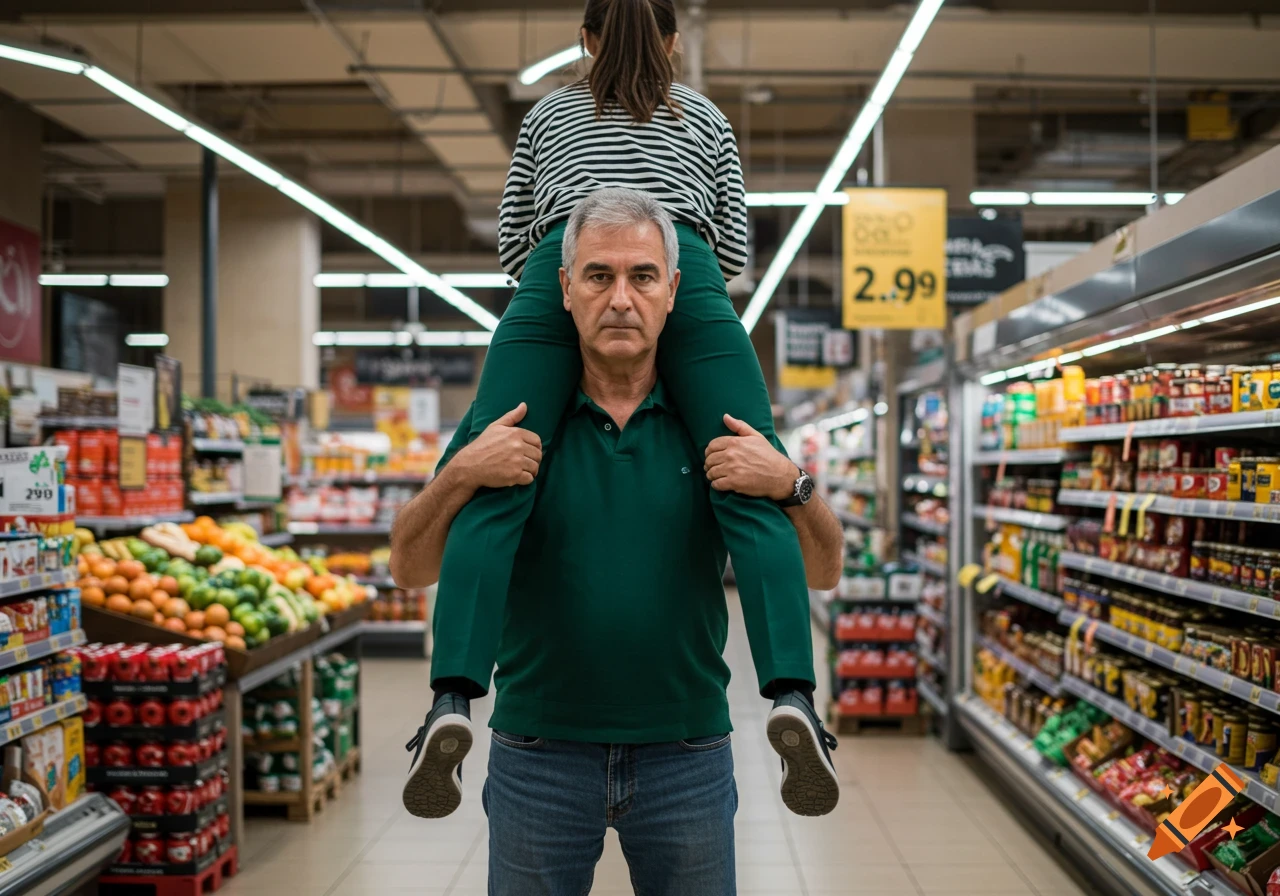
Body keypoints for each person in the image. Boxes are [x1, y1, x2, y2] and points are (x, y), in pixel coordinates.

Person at [422, 0, 820, 816]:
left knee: (496, 469)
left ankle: (450, 701)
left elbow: (512, 241)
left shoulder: (547, 115)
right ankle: (794, 698)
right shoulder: (706, 117)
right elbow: (735, 249)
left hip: (560, 268)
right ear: (673, 42)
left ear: (585, 39)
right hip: (686, 272)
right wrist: (670, 281)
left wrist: (571, 282)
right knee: (751, 469)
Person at [392, 191, 844, 892]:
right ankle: (449, 706)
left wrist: (793, 483)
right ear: (564, 289)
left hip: (687, 752)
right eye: (599, 276)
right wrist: (459, 474)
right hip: (537, 752)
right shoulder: (510, 426)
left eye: (643, 276)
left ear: (675, 291)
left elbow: (823, 569)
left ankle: (795, 700)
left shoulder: (719, 427)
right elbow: (408, 565)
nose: (622, 299)